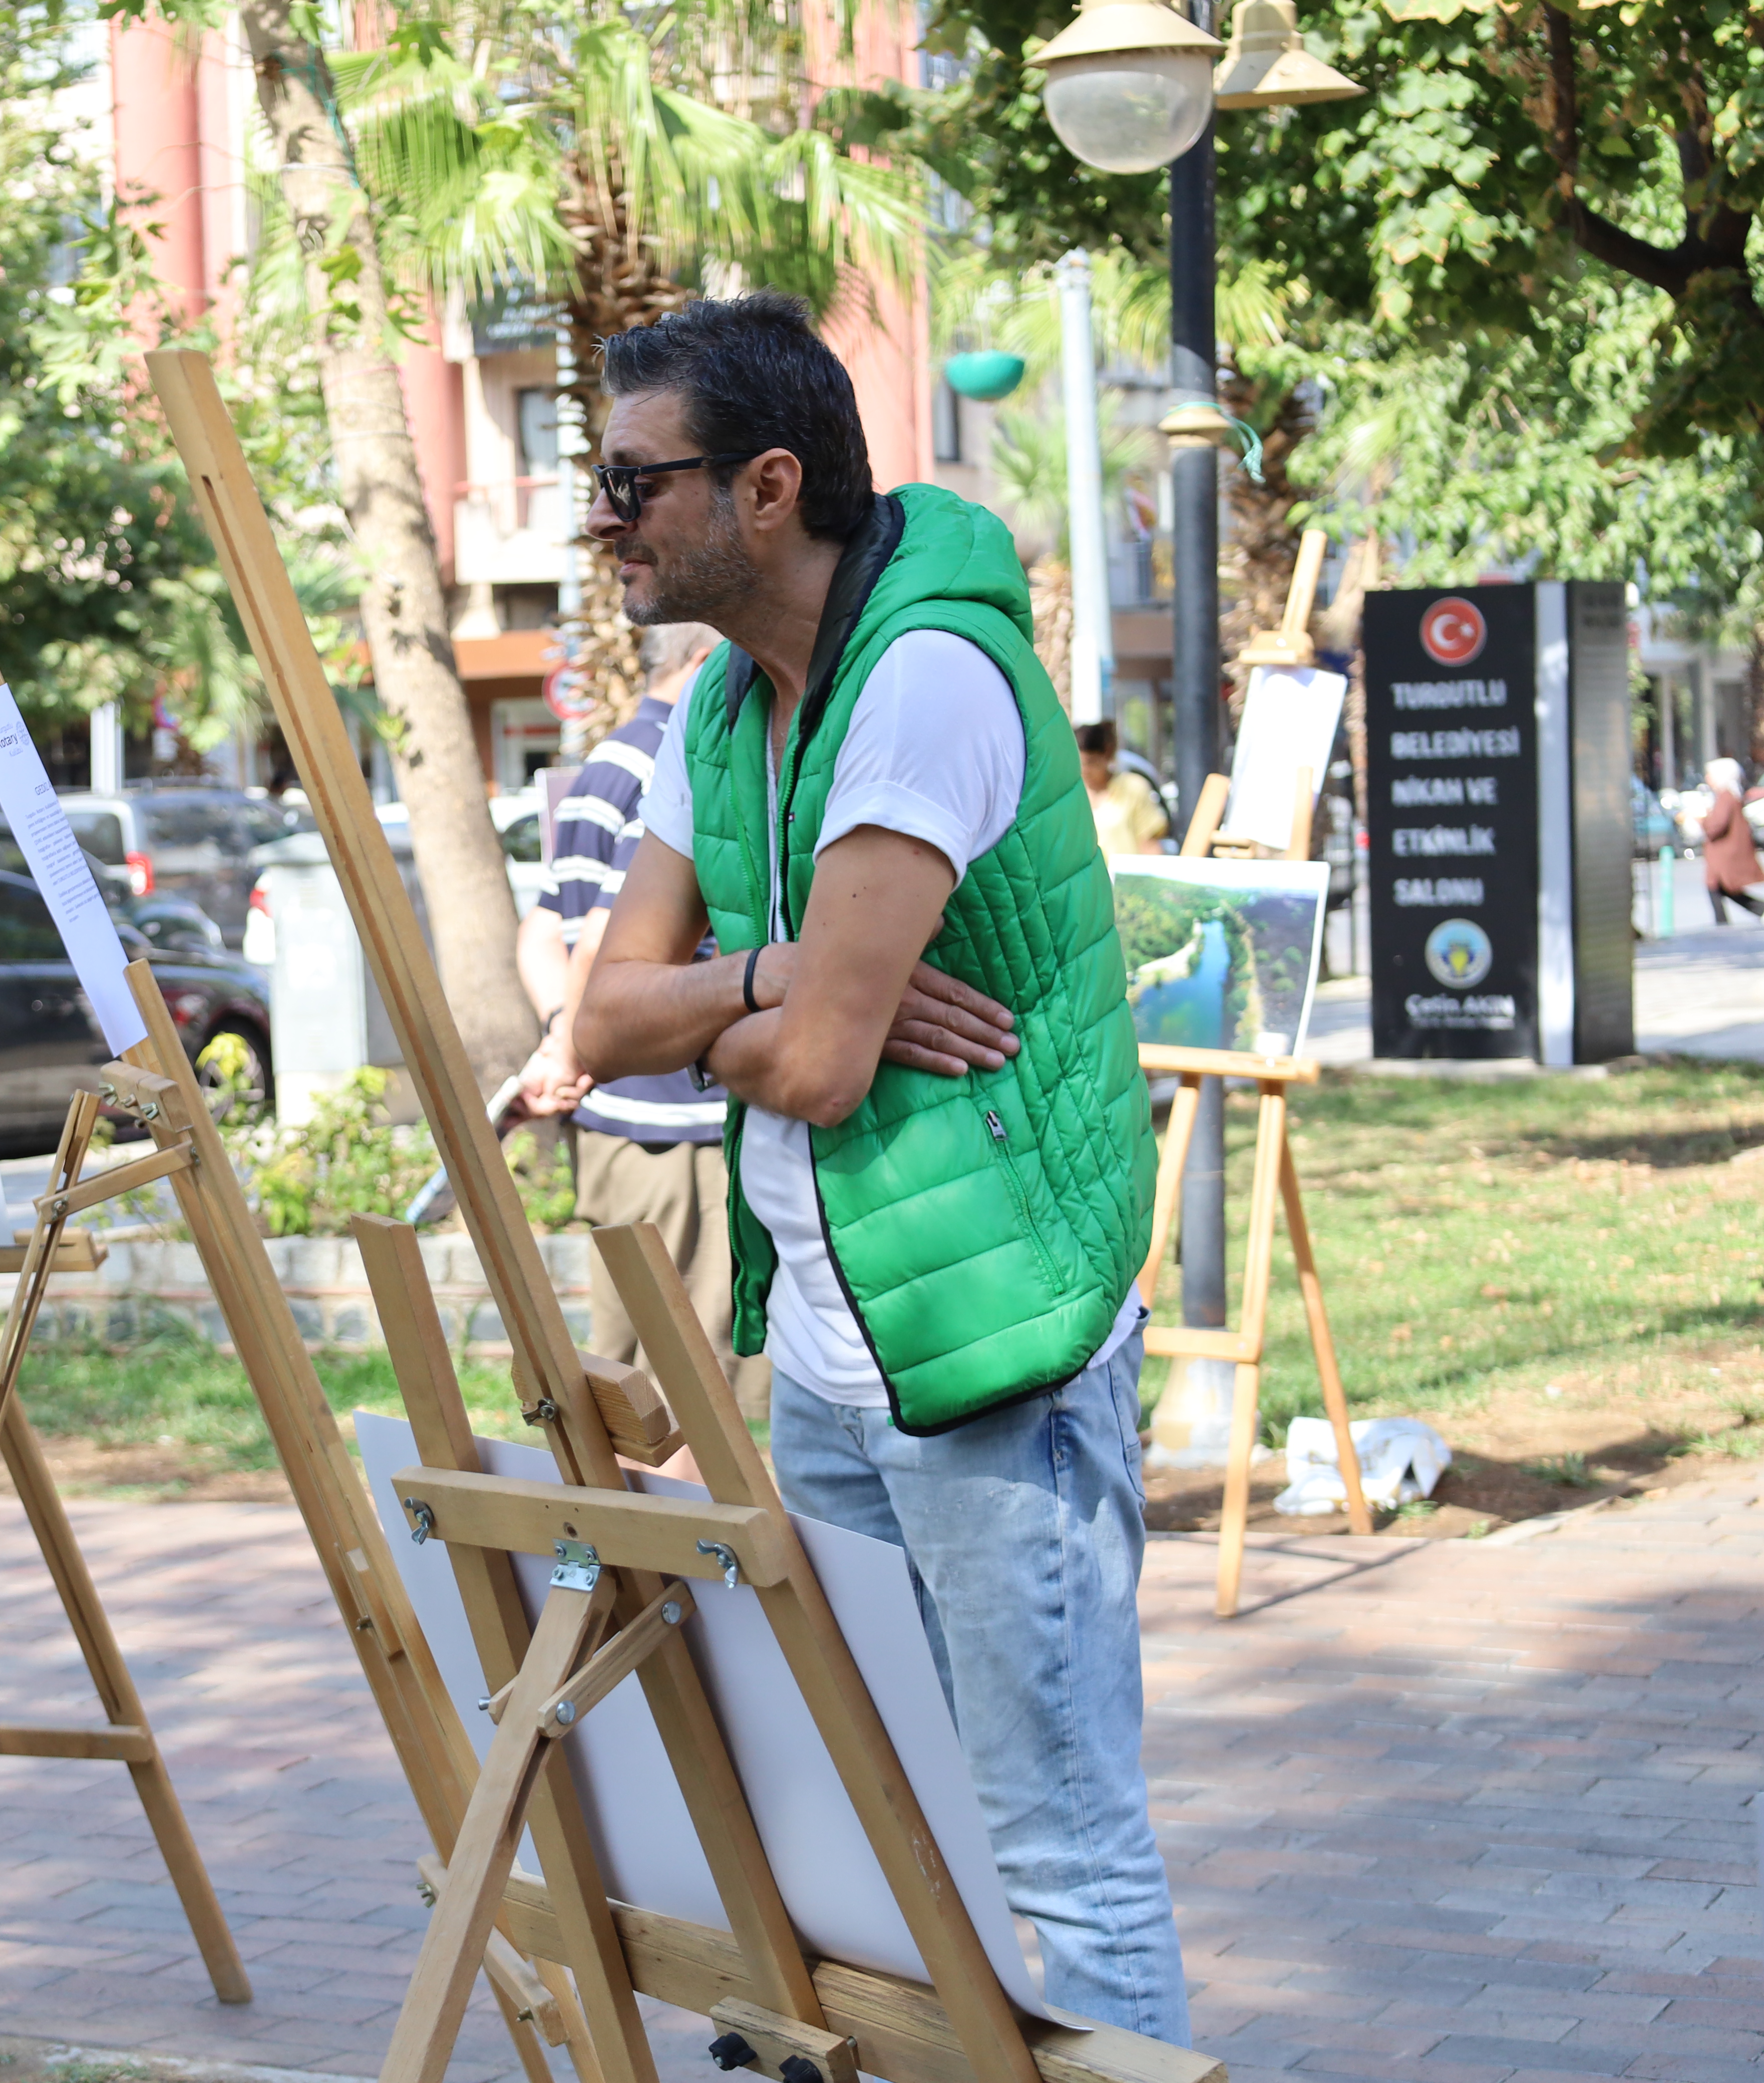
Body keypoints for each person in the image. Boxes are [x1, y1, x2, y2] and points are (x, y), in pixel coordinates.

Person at [567, 294, 1182, 2039]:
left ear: (769, 489)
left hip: (991, 1342)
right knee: (881, 1823)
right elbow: (598, 1022)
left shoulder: (920, 676)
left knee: (1056, 1846)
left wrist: (778, 1020)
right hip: (836, 1355)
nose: (602, 518)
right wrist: (776, 974)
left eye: (634, 483)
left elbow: (822, 1072)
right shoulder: (724, 706)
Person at [514, 621, 765, 1409]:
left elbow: (543, 928)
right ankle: (679, 1538)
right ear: (704, 661)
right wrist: (571, 1044)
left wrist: (563, 1033)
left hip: (618, 1127)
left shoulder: (606, 759)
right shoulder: (681, 755)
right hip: (679, 1128)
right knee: (690, 1397)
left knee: (625, 1382)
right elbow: (605, 941)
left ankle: (625, 1532)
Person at [1078, 718, 1169, 855]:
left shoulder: (1133, 788)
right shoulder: (1071, 792)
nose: (1085, 770)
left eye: (1091, 763)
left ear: (1107, 754)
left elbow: (1149, 844)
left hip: (1122, 875)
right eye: (1080, 764)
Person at [1699, 757, 1764, 924]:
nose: (1708, 779)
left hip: (1724, 852)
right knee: (1718, 887)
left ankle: (1760, 909)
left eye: (1710, 775)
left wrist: (1702, 820)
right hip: (1723, 851)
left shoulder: (1726, 797)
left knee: (1718, 886)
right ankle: (1761, 909)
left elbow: (1717, 825)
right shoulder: (1727, 796)